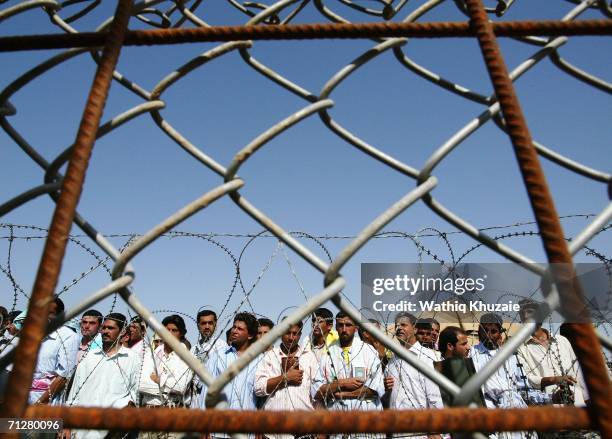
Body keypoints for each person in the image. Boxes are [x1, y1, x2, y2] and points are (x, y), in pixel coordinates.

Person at [65, 313, 141, 439]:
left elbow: (134, 395)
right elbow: (74, 395)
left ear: (122, 332)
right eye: (104, 328)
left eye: (110, 328)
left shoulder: (132, 359)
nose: (105, 331)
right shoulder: (89, 357)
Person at [312, 311, 385, 430]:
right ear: (336, 327)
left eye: (348, 325)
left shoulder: (368, 352)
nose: (344, 329)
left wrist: (341, 394)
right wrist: (341, 383)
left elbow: (376, 390)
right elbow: (317, 391)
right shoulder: (328, 355)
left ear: (356, 327)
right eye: (340, 325)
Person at [255, 320, 319, 439]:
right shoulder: (270, 357)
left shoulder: (309, 357)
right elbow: (258, 388)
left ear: (300, 335)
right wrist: (285, 379)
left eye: (295, 333)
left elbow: (317, 392)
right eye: (287, 333)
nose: (291, 338)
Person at [517, 300, 588, 406]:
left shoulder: (561, 341)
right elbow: (528, 378)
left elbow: (577, 371)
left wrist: (587, 398)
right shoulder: (521, 348)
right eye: (522, 314)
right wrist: (555, 379)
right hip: (551, 406)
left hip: (577, 402)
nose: (526, 316)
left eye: (530, 312)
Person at [385, 312, 444, 438]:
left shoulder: (429, 357)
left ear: (415, 328)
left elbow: (436, 397)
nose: (399, 328)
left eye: (403, 325)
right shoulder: (392, 361)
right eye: (396, 325)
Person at [470, 313, 529, 439]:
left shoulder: (511, 357)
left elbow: (524, 390)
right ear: (479, 331)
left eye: (493, 331)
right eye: (485, 330)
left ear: (500, 334)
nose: (488, 334)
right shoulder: (471, 354)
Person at [197, 312, 262, 412]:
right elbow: (207, 391)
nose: (234, 331)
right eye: (234, 327)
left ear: (250, 335)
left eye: (240, 329)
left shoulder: (259, 360)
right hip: (220, 420)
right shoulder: (219, 356)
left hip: (247, 421)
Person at [30, 295, 80, 404]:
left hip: (44, 401)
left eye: (49, 313)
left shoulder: (67, 336)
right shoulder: (34, 335)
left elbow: (63, 377)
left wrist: (40, 403)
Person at [139, 314, 193, 411]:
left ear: (181, 333)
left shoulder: (187, 357)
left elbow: (180, 387)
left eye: (174, 330)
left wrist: (158, 379)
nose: (169, 333)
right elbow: (140, 384)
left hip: (173, 410)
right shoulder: (151, 354)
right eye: (166, 330)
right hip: (148, 410)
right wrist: (167, 387)